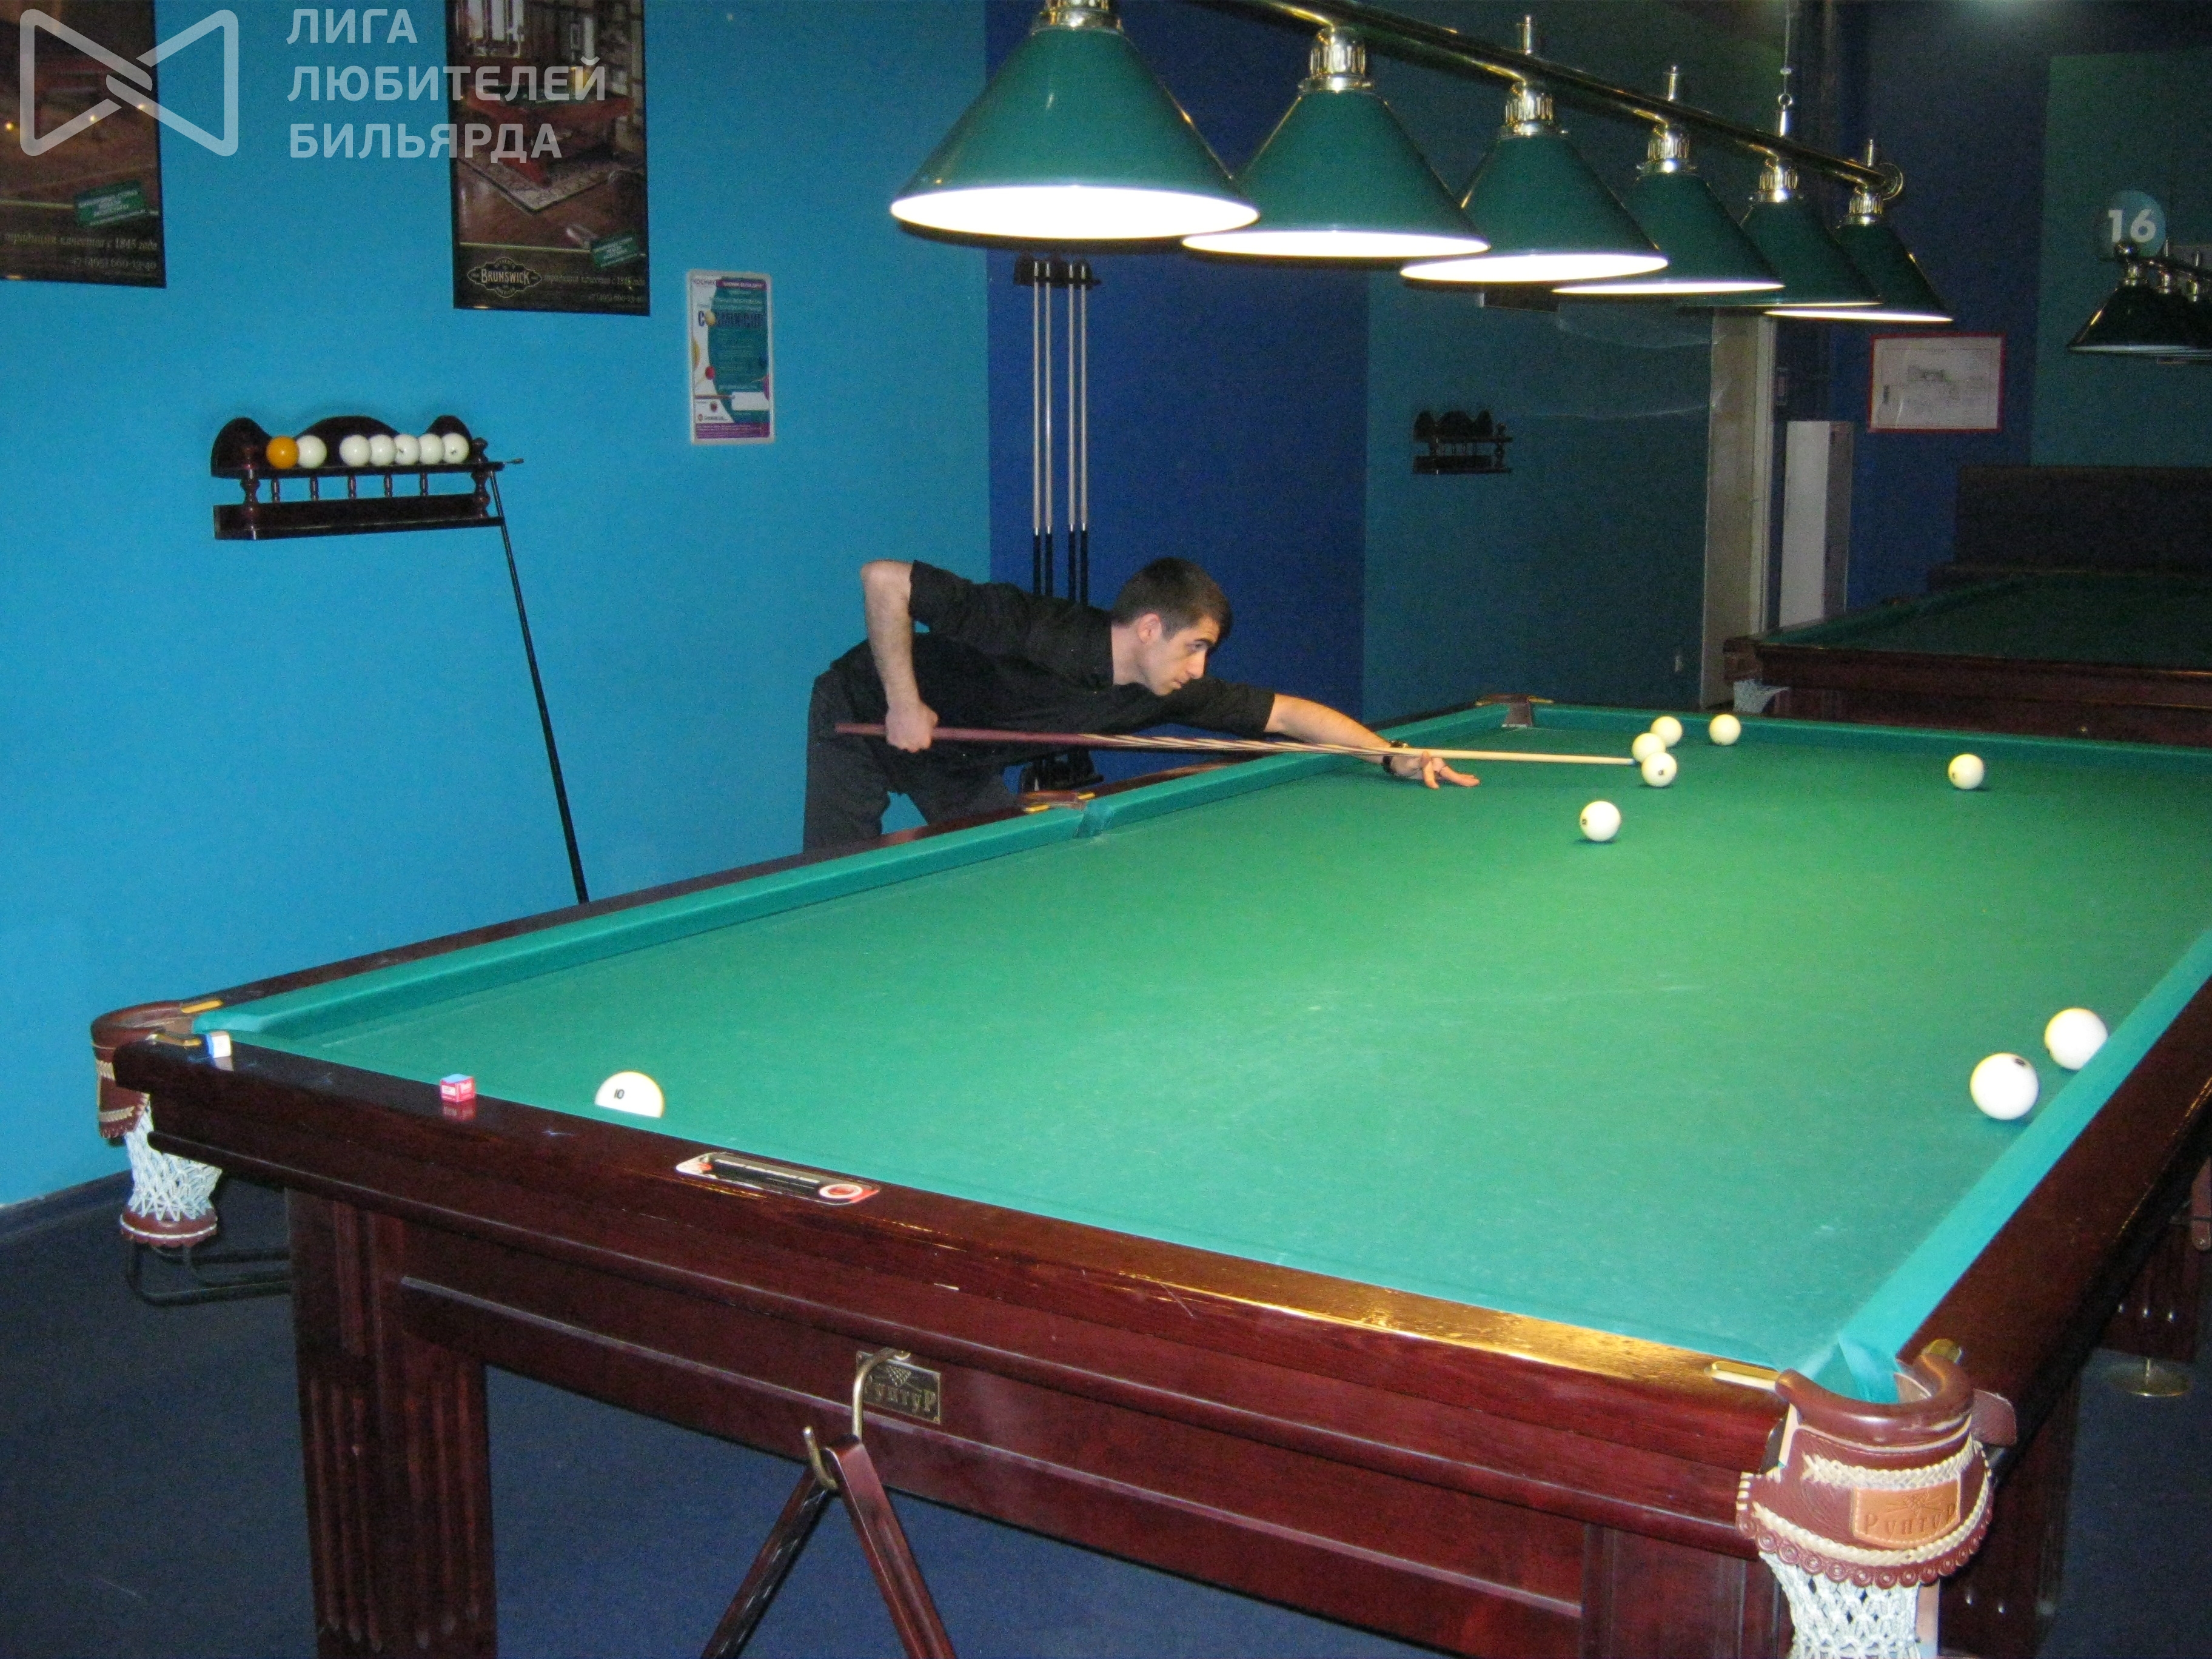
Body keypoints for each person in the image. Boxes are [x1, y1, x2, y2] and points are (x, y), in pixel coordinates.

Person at [803, 557, 1475, 851]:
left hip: (958, 758)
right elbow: (885, 580)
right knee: (834, 872)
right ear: (1150, 629)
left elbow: (1288, 715)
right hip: (862, 713)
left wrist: (1392, 756)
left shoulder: (1158, 691)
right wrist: (903, 700)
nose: (1200, 669)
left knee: (1006, 869)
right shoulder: (1037, 628)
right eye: (1195, 647)